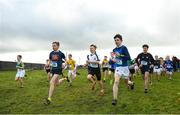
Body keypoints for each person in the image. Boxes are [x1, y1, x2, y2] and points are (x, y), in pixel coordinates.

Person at [112, 34, 134, 105]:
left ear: (121, 40)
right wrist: (113, 59)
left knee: (126, 82)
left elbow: (128, 57)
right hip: (118, 67)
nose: (116, 41)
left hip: (125, 68)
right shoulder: (114, 49)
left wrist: (120, 55)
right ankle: (115, 99)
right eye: (115, 40)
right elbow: (115, 58)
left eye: (117, 40)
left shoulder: (124, 48)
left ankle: (132, 83)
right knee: (116, 82)